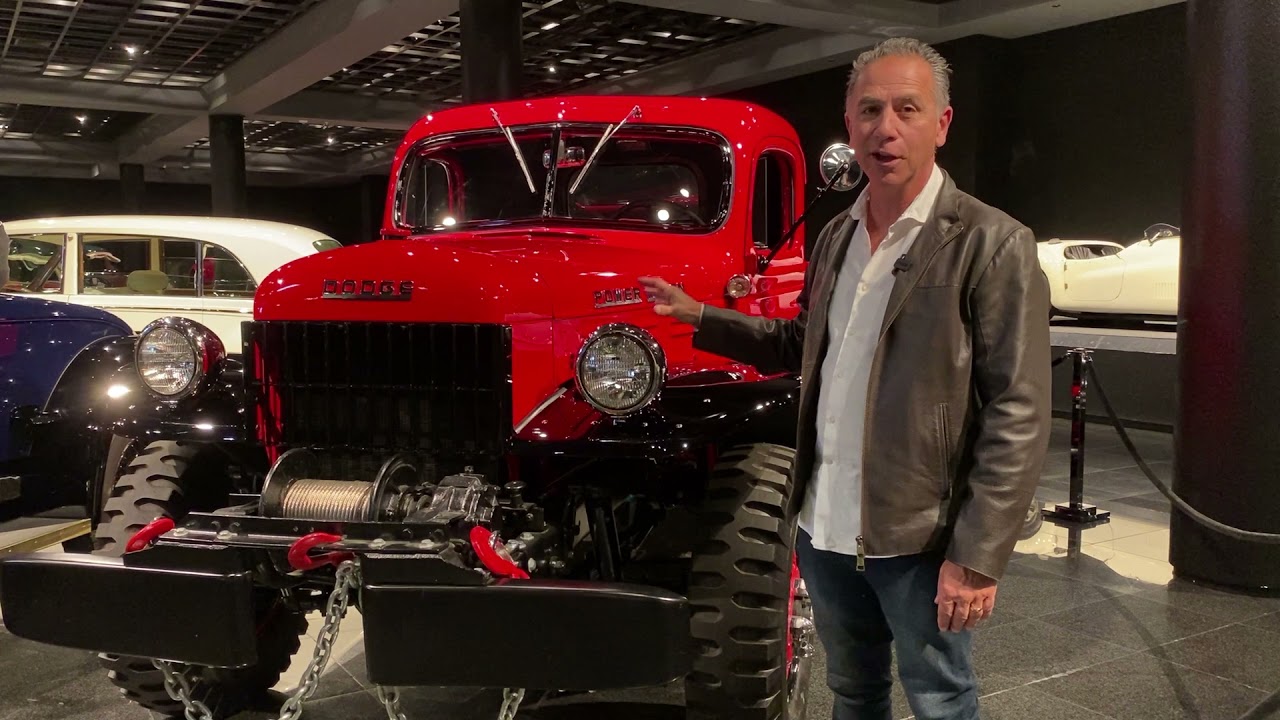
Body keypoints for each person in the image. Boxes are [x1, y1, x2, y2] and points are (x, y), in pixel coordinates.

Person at [640, 37, 1050, 720]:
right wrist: (703, 319)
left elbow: (1019, 409)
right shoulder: (837, 237)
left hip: (919, 534)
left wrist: (978, 554)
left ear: (942, 124)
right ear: (849, 122)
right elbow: (804, 345)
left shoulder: (992, 242)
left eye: (907, 109)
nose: (885, 128)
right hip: (826, 525)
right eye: (869, 110)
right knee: (852, 691)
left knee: (940, 697)